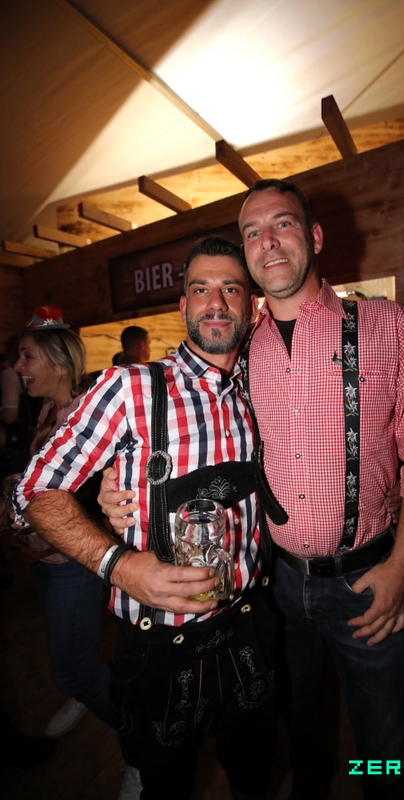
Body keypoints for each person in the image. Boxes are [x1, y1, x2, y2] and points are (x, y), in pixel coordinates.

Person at [102, 180, 404, 799]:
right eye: (253, 232)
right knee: (300, 730)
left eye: (282, 223)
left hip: (367, 578)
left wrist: (402, 568)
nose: (268, 241)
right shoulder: (240, 349)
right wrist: (119, 482)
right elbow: (200, 438)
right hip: (274, 584)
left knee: (389, 745)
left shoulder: (383, 324)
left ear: (314, 236)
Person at [13, 239, 281, 800]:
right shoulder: (131, 388)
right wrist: (120, 566)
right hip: (160, 645)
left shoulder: (260, 389)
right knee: (167, 786)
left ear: (251, 306)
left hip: (251, 624)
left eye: (230, 288)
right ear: (182, 307)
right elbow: (35, 492)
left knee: (255, 774)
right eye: (200, 289)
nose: (215, 302)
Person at [12, 307, 113, 741]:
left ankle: (141, 747)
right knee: (74, 655)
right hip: (42, 558)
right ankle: (85, 691)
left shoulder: (85, 418)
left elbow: (92, 502)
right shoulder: (48, 410)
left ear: (57, 363)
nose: (18, 367)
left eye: (27, 356)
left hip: (72, 562)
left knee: (72, 670)